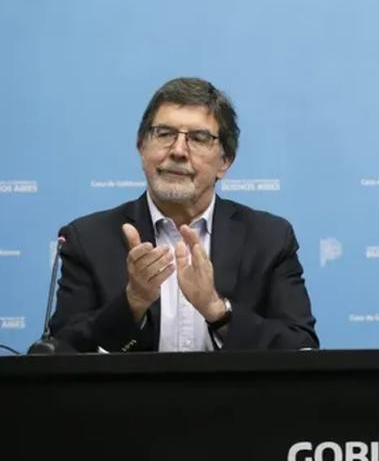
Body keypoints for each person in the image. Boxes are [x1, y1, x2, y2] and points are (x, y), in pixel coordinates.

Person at [49, 77, 318, 352]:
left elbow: (300, 347)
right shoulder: (89, 238)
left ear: (224, 161)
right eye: (164, 134)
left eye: (199, 138)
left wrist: (217, 310)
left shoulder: (268, 238)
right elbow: (63, 351)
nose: (178, 151)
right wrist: (132, 302)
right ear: (142, 147)